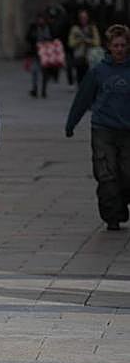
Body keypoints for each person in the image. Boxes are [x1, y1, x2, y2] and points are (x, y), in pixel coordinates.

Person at [66, 24, 130, 231]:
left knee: (126, 173)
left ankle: (122, 204)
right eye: (115, 45)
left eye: (123, 45)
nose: (119, 49)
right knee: (106, 173)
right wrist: (72, 122)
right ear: (108, 47)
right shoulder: (98, 71)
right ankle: (112, 215)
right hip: (103, 128)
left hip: (127, 130)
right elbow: (83, 98)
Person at [26, 13, 57, 98]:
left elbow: (54, 38)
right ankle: (35, 88)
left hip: (46, 52)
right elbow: (28, 37)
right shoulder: (33, 27)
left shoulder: (49, 28)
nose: (40, 21)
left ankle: (43, 90)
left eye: (42, 19)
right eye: (39, 19)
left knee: (45, 72)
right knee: (34, 71)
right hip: (35, 52)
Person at [69, 9, 101, 85]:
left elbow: (97, 42)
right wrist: (79, 41)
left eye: (85, 17)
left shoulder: (92, 28)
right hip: (79, 57)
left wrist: (88, 41)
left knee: (89, 79)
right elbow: (71, 43)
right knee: (80, 78)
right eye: (81, 17)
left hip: (90, 58)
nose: (83, 19)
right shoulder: (75, 29)